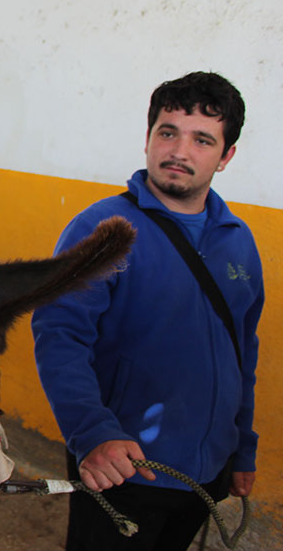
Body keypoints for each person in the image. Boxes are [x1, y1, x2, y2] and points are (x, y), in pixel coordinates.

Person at [31, 71, 263, 551]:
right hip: (121, 465)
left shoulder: (238, 241)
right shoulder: (102, 228)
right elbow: (60, 337)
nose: (179, 151)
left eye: (202, 139)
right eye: (167, 132)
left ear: (226, 157)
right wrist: (93, 435)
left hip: (206, 473)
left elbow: (244, 353)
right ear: (147, 138)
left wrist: (242, 449)